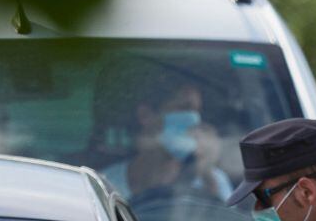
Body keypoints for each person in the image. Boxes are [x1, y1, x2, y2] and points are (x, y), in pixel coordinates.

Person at [100, 72, 234, 203]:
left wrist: (208, 178)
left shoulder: (214, 180)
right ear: (145, 115)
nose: (194, 121)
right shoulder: (103, 186)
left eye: (197, 111)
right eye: (184, 108)